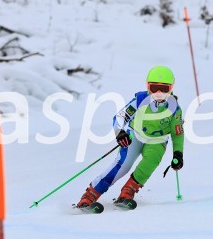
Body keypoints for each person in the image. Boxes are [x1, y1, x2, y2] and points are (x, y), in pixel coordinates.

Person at [77, 66, 185, 208]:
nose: (159, 93)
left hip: (157, 141)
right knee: (123, 166)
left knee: (149, 163)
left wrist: (178, 153)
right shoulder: (140, 100)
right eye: (154, 88)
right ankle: (90, 195)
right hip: (135, 136)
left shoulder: (174, 108)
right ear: (147, 86)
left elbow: (177, 133)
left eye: (164, 89)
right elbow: (120, 117)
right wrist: (120, 133)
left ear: (171, 88)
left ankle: (128, 192)